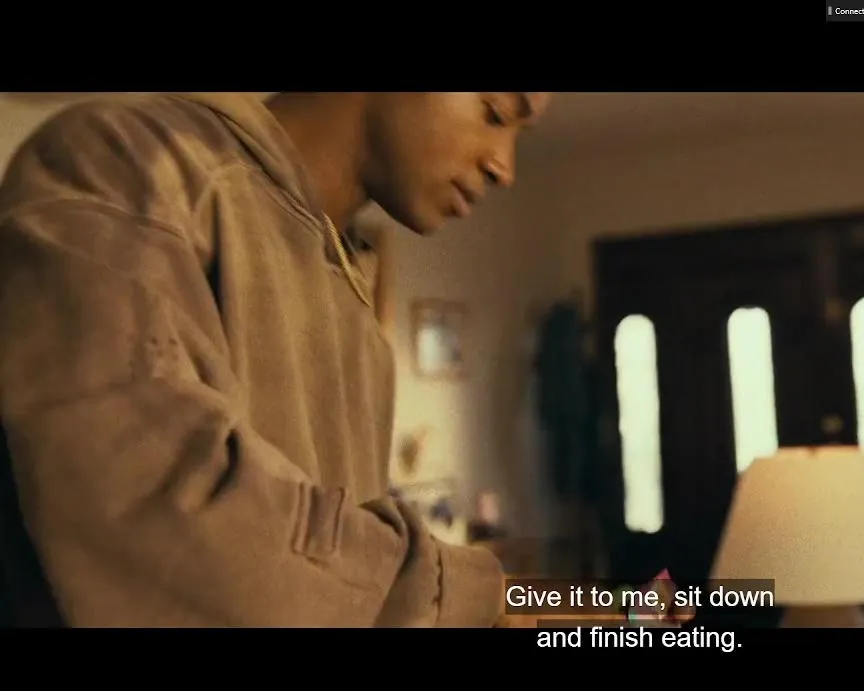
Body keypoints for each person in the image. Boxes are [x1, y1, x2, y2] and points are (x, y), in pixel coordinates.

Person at [0, 92, 549, 627]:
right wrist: (472, 597)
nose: (505, 167)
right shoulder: (124, 165)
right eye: (496, 110)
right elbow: (156, 514)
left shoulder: (358, 316)